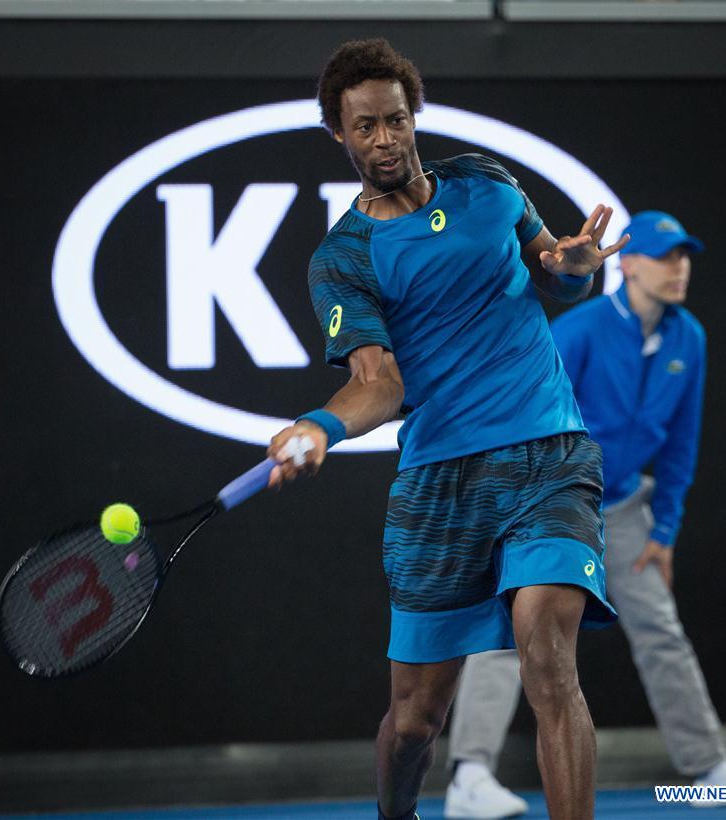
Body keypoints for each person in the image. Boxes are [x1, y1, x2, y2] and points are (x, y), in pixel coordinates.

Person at [266, 38, 628, 820]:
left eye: (394, 121)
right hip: (440, 486)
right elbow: (377, 383)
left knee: (546, 655)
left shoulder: (487, 183)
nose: (384, 140)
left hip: (547, 453)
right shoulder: (344, 258)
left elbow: (553, 267)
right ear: (338, 133)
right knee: (412, 723)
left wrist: (573, 265)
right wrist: (319, 425)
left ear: (412, 115)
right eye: (364, 127)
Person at [444, 210, 726, 816]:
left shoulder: (690, 338)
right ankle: (468, 778)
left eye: (684, 257)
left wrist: (666, 530)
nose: (678, 269)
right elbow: (531, 416)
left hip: (627, 507)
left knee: (663, 633)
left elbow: (682, 441)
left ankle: (710, 770)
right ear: (627, 264)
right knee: (512, 634)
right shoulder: (579, 330)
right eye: (664, 257)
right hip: (549, 501)